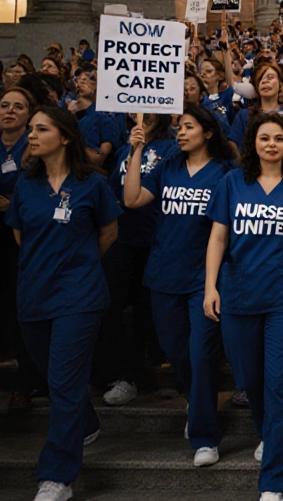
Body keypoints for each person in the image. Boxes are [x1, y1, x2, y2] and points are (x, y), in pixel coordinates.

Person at [204, 113, 283, 501]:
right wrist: (210, 287)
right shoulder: (231, 183)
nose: (271, 144)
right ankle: (269, 433)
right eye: (263, 138)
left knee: (282, 387)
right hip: (239, 294)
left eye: (278, 138)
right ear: (252, 143)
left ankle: (275, 481)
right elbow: (218, 239)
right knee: (250, 379)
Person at [6, 107, 121, 501]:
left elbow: (108, 231)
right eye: (31, 129)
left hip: (80, 295)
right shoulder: (25, 185)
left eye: (41, 129)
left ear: (66, 136)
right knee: (57, 380)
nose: (31, 135)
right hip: (34, 295)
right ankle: (85, 421)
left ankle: (57, 476)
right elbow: (21, 235)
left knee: (66, 381)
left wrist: (77, 263)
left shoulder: (93, 184)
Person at [121, 106, 236, 466]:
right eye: (178, 127)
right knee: (176, 351)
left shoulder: (224, 174)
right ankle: (197, 400)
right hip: (164, 273)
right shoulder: (168, 167)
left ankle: (205, 436)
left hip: (205, 278)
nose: (180, 133)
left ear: (208, 133)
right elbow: (131, 199)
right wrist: (136, 150)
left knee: (202, 354)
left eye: (188, 127)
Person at [95, 112, 178, 407]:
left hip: (157, 241)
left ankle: (162, 372)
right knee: (109, 304)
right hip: (123, 240)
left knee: (151, 312)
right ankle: (125, 375)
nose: (146, 113)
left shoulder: (173, 149)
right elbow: (116, 195)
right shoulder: (122, 150)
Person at [0, 87, 38, 409]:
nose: (10, 112)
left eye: (18, 106)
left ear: (28, 114)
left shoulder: (36, 141)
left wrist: (13, 204)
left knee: (21, 306)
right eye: (4, 106)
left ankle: (28, 378)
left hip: (26, 233)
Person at [227, 62, 283, 150]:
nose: (264, 81)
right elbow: (233, 145)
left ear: (280, 84)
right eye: (260, 79)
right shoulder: (244, 115)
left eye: (270, 77)